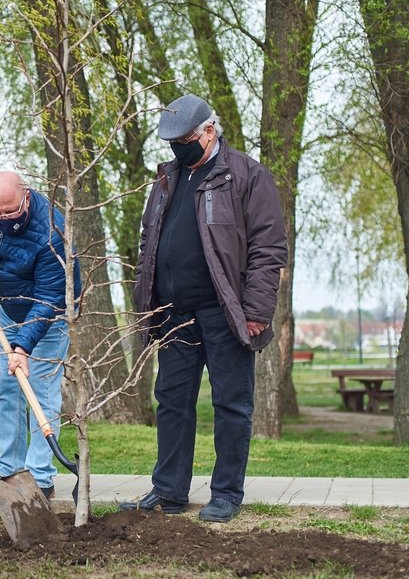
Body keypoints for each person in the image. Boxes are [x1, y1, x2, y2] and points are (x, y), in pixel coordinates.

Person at [120, 94, 287, 523]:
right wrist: (148, 300)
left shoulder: (247, 175)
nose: (178, 148)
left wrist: (257, 311)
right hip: (174, 315)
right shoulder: (165, 180)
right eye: (172, 142)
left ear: (210, 131)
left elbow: (269, 250)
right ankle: (169, 491)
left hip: (225, 313)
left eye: (185, 140)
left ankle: (227, 493)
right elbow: (149, 243)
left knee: (232, 405)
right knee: (172, 403)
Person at [0, 171, 80, 499]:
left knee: (41, 393)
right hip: (8, 311)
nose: (3, 220)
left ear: (26, 196)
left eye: (10, 212)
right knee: (8, 392)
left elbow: (50, 297)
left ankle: (40, 478)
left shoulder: (52, 230)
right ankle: (8, 470)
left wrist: (23, 346)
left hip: (50, 316)